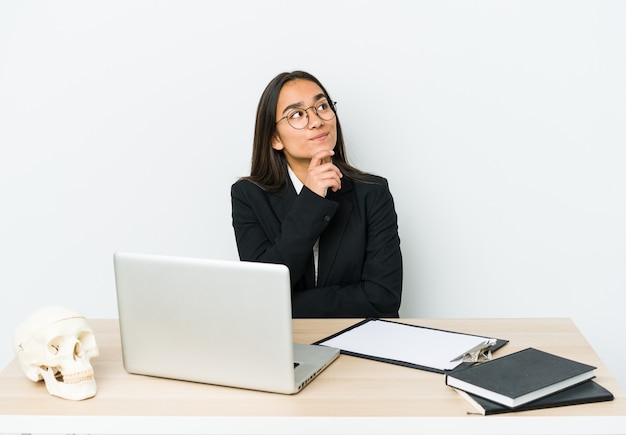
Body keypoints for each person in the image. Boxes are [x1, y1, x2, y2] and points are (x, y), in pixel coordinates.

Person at [231, 71, 402, 318]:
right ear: (275, 138)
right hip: (286, 342)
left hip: (361, 340)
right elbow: (263, 293)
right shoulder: (248, 196)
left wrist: (285, 305)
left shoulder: (373, 193)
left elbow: (383, 299)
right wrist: (310, 200)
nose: (316, 121)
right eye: (297, 114)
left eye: (322, 106)